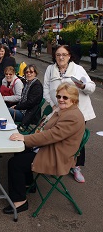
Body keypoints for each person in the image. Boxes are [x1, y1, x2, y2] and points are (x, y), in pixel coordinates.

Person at [3, 83, 85, 215]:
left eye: (65, 97)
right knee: (19, 150)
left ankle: (20, 202)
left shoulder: (72, 116)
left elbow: (51, 135)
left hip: (57, 156)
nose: (61, 99)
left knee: (14, 163)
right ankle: (28, 183)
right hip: (50, 147)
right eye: (59, 96)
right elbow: (47, 132)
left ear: (74, 99)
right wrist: (28, 139)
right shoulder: (64, 110)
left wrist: (26, 138)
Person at [43, 44, 95, 183]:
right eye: (58, 55)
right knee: (58, 137)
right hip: (59, 111)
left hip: (79, 112)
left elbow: (91, 87)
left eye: (64, 55)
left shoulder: (78, 69)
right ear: (55, 56)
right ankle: (57, 163)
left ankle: (76, 166)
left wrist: (83, 86)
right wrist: (53, 104)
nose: (61, 57)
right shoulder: (50, 69)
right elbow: (46, 89)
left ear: (69, 56)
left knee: (76, 140)